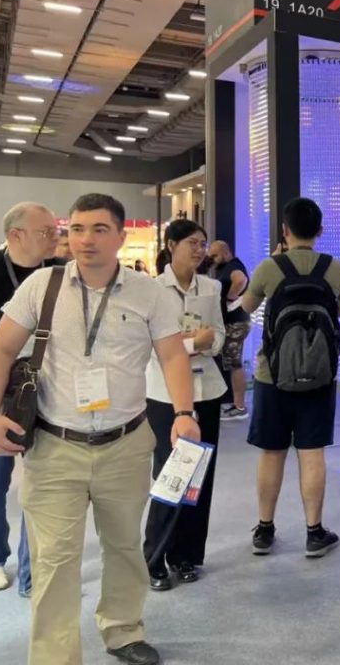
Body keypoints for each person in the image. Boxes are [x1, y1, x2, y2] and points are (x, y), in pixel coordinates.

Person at [0, 193, 199, 665]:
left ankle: (123, 630)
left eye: (99, 229)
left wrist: (185, 412)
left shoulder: (149, 293)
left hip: (125, 443)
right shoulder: (42, 285)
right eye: (77, 229)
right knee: (54, 558)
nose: (86, 239)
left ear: (120, 237)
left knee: (123, 546)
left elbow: (172, 355)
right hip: (54, 446)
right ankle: (55, 656)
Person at [239, 197, 340, 558]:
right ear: (320, 230)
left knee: (272, 453)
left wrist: (275, 265)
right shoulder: (334, 267)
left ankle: (264, 530)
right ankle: (314, 533)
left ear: (285, 230)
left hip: (272, 376)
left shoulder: (269, 266)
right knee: (312, 453)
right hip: (320, 374)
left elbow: (247, 307)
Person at [144, 220, 226, 591]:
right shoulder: (151, 289)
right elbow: (151, 345)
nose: (199, 249)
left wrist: (208, 341)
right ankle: (154, 558)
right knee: (170, 474)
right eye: (192, 242)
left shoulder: (211, 286)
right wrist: (192, 344)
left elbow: (219, 335)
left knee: (200, 478)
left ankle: (186, 556)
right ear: (171, 245)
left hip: (206, 389)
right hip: (164, 394)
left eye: (203, 243)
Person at [0, 203, 61, 597]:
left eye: (56, 230)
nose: (55, 237)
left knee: (42, 485)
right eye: (46, 231)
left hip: (50, 389)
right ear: (16, 235)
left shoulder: (61, 273)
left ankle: (33, 572)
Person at [208, 240, 252, 421]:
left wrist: (230, 297)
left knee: (234, 364)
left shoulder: (233, 266)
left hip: (235, 323)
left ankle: (240, 407)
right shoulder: (226, 267)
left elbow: (241, 279)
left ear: (225, 253)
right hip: (233, 322)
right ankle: (237, 404)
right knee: (231, 363)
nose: (212, 259)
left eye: (215, 255)